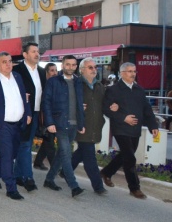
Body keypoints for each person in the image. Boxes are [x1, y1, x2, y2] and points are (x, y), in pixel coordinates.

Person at [100, 62, 159, 199]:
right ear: (121, 73)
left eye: (134, 71)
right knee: (130, 158)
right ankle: (134, 188)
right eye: (129, 71)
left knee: (126, 155)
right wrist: (123, 117)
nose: (133, 74)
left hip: (135, 129)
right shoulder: (113, 90)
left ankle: (106, 172)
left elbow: (147, 110)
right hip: (120, 128)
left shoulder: (139, 90)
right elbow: (106, 109)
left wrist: (153, 126)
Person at [0, 52, 31, 200]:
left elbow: (24, 97)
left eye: (10, 61)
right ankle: (11, 188)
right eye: (4, 62)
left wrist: (28, 113)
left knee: (11, 154)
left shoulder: (17, 77)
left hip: (18, 123)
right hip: (0, 124)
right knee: (7, 154)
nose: (8, 64)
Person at [42, 55, 86, 197]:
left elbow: (79, 104)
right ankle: (73, 186)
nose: (71, 67)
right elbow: (46, 102)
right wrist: (49, 122)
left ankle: (49, 179)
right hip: (60, 123)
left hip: (74, 124)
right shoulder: (54, 82)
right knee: (66, 153)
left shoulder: (79, 82)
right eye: (68, 64)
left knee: (62, 154)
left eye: (74, 65)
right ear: (63, 65)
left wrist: (81, 123)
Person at [71, 57, 113, 195]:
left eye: (95, 67)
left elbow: (104, 105)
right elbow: (67, 103)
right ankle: (98, 186)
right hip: (81, 125)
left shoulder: (100, 86)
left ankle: (65, 171)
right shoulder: (76, 84)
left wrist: (113, 107)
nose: (94, 70)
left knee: (81, 152)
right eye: (90, 67)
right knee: (89, 156)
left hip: (95, 125)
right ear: (82, 70)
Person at [11, 42, 47, 192]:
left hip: (37, 113)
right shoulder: (16, 70)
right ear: (25, 55)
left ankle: (17, 175)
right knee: (25, 145)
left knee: (24, 144)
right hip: (21, 113)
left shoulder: (41, 71)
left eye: (38, 51)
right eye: (33, 51)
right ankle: (28, 177)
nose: (37, 54)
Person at [33, 63, 59, 170]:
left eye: (56, 70)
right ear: (47, 72)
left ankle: (38, 162)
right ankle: (55, 167)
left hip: (54, 117)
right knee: (49, 142)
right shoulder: (43, 85)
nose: (55, 73)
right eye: (52, 70)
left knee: (48, 140)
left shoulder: (56, 84)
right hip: (44, 117)